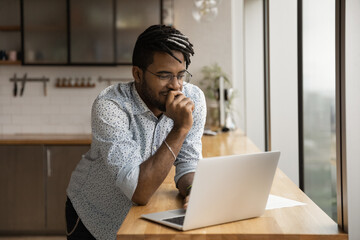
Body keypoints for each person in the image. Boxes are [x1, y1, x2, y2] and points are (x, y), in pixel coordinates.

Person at [65, 24, 207, 240]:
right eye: (164, 75)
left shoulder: (193, 98)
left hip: (138, 220)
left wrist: (193, 191)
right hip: (94, 216)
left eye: (181, 75)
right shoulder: (111, 105)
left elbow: (188, 161)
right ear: (138, 74)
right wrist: (180, 129)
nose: (176, 86)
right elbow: (138, 192)